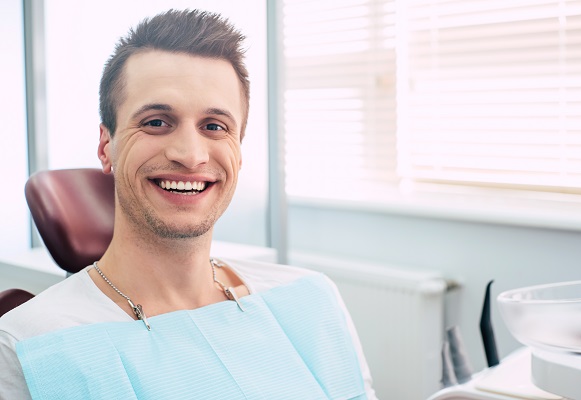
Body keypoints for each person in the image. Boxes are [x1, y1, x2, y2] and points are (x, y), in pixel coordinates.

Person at [0, 9, 376, 400]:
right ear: (106, 145)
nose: (191, 155)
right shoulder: (29, 346)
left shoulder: (311, 298)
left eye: (214, 126)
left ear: (239, 150)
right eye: (157, 122)